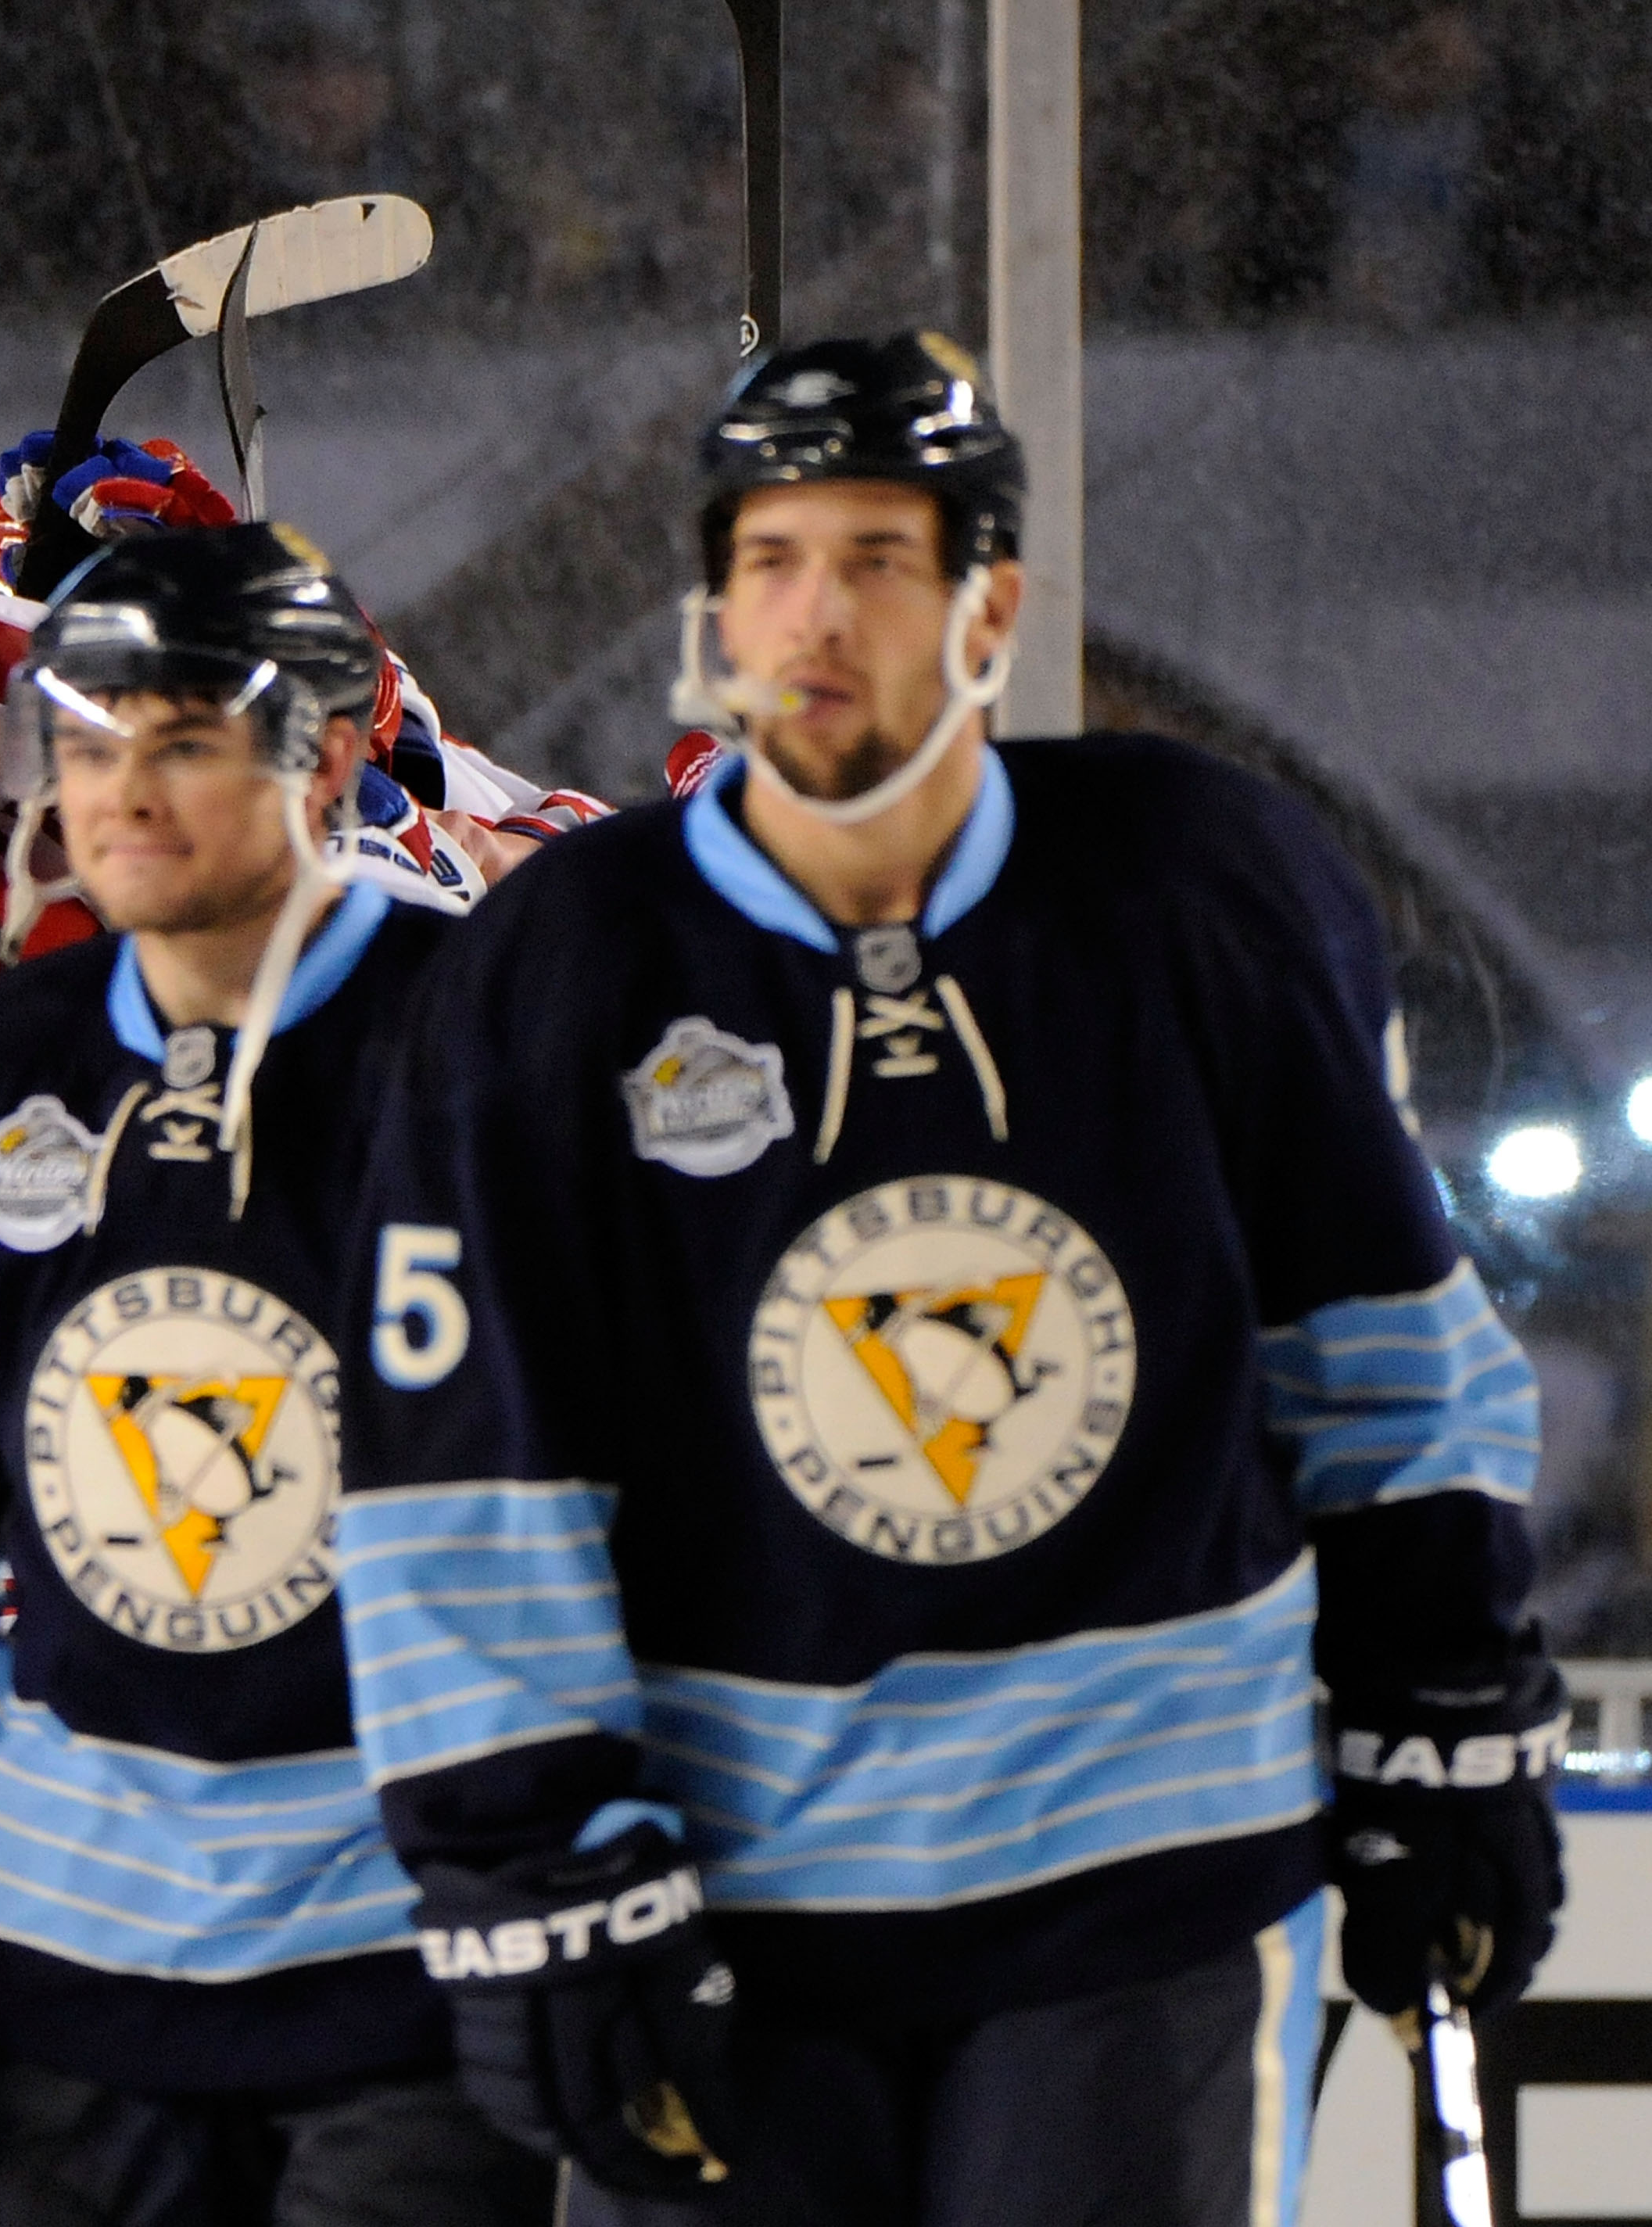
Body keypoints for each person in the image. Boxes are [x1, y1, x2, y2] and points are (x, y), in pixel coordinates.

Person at [331, 332, 1559, 2227]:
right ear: (715, 608)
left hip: (1136, 1885)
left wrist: (1443, 1700)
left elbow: (1380, 1350)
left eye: (876, 559)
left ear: (986, 598)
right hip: (721, 1893)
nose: (815, 613)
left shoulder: (1192, 892)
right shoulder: (566, 965)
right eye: (768, 561)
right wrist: (519, 1854)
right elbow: (462, 1476)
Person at [0, 525, 532, 2227]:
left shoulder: (501, 1062)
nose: (122, 792)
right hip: (72, 1990)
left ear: (338, 755)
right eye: (85, 743)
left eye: (186, 741)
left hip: (428, 1981)